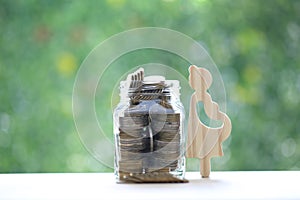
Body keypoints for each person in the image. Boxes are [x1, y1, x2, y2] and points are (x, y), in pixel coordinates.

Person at [186, 65, 232, 178]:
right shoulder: (196, 97)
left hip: (197, 129)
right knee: (203, 150)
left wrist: (215, 111)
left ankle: (205, 171)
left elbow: (209, 111)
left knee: (205, 150)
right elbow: (208, 111)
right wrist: (214, 110)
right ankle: (204, 171)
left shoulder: (200, 96)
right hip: (197, 128)